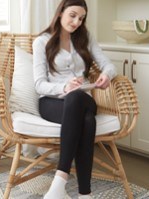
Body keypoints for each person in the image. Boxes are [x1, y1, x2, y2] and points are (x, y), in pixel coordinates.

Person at [32, 0, 117, 199]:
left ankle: (59, 183)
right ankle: (85, 194)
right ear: (61, 12)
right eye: (73, 15)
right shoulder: (42, 42)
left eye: (81, 18)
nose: (77, 22)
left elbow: (108, 65)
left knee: (77, 97)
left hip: (83, 98)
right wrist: (65, 86)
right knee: (87, 121)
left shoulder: (85, 38)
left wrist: (107, 75)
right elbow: (39, 84)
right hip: (52, 101)